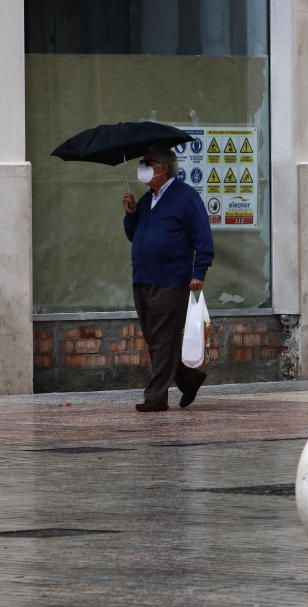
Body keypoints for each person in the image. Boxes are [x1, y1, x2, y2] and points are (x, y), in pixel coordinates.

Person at [122, 143, 214, 412]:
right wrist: (130, 215)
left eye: (147, 163)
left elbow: (203, 238)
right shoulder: (147, 199)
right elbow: (133, 234)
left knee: (163, 338)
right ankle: (189, 378)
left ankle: (156, 397)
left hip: (172, 279)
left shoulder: (185, 197)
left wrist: (199, 271)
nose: (143, 168)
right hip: (143, 278)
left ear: (163, 168)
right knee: (156, 338)